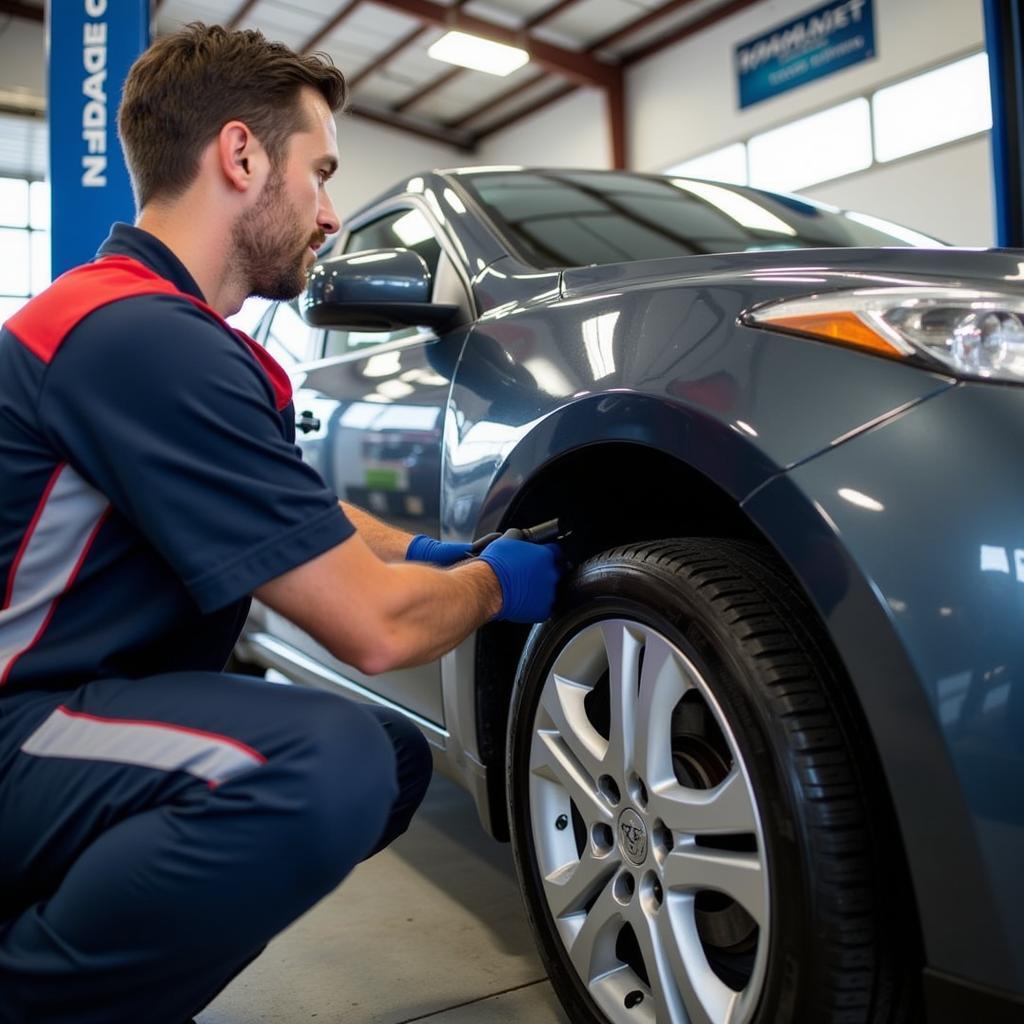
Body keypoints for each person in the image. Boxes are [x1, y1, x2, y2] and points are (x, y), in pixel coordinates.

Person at [0, 23, 562, 1024]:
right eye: (322, 172)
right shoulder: (137, 337)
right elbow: (376, 629)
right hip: (18, 733)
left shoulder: (130, 321)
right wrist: (491, 583)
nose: (329, 212)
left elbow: (296, 504)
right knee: (323, 763)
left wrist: (428, 552)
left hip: (57, 718)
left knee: (386, 759)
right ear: (242, 154)